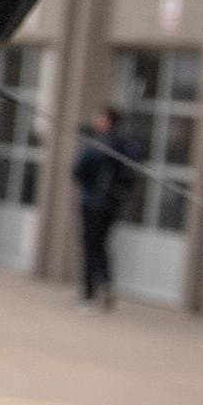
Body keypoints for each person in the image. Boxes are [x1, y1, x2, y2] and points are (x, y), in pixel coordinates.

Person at [72, 109, 146, 311]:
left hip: (94, 203)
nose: (96, 120)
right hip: (112, 204)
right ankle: (105, 285)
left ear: (108, 121)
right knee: (100, 246)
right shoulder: (124, 144)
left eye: (100, 118)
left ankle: (89, 295)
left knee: (91, 246)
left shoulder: (97, 144)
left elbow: (78, 171)